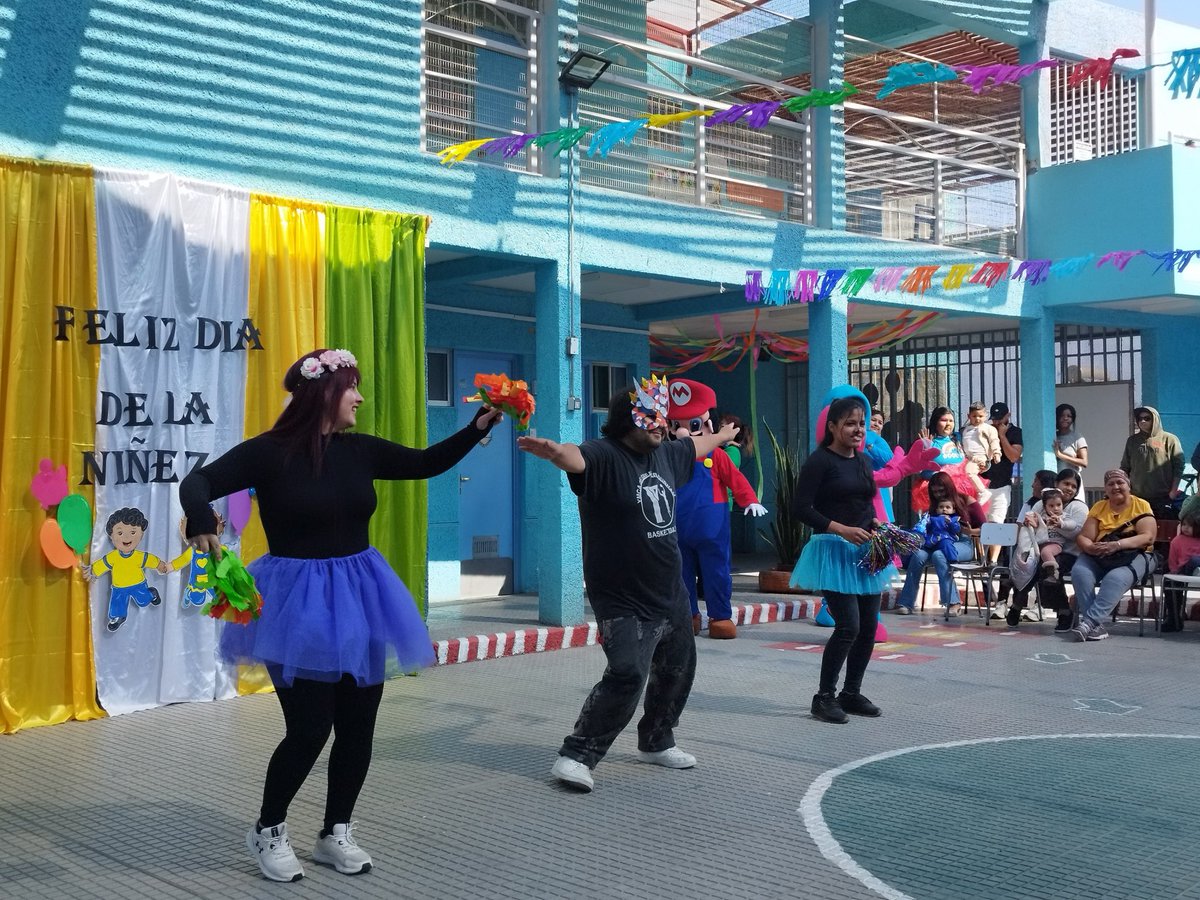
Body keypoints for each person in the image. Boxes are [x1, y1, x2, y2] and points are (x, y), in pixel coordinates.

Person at [178, 348, 502, 883]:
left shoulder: (360, 451)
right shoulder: (268, 453)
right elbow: (199, 483)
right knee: (309, 729)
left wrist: (476, 427)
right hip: (294, 605)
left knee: (358, 727)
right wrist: (198, 517)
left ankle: (335, 831)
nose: (360, 397)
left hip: (360, 596)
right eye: (352, 387)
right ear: (324, 394)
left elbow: (424, 463)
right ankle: (268, 828)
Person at [517, 376, 738, 792]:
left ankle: (656, 739)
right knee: (627, 674)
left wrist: (723, 435)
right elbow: (574, 458)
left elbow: (695, 446)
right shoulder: (604, 456)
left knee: (678, 669)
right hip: (621, 597)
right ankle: (577, 754)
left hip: (670, 591)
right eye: (650, 418)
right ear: (626, 420)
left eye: (663, 419)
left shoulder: (668, 454)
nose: (659, 425)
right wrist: (554, 452)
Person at [789, 393, 896, 724]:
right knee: (848, 625)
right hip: (833, 551)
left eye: (862, 423)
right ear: (832, 427)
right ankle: (824, 697)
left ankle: (851, 693)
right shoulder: (819, 461)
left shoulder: (864, 461)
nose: (858, 429)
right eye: (850, 423)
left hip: (866, 552)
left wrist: (876, 524)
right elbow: (800, 508)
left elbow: (865, 503)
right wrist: (840, 529)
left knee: (867, 627)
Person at [666, 379, 766, 639]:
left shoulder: (717, 455)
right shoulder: (667, 455)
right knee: (681, 575)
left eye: (693, 425)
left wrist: (750, 500)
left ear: (708, 425)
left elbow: (736, 479)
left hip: (712, 528)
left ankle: (720, 616)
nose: (683, 433)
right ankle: (688, 616)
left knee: (717, 573)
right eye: (676, 426)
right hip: (676, 529)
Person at [1067, 468, 1157, 642]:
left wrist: (1117, 545)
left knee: (1114, 578)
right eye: (1111, 484)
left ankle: (1089, 623)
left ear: (1128, 485)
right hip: (1101, 554)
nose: (1116, 487)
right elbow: (1084, 537)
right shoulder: (1099, 507)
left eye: (1120, 482)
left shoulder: (1141, 505)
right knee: (1080, 572)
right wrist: (1091, 548)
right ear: (1105, 489)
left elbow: (1148, 537)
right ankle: (1096, 627)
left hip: (1135, 554)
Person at [1007, 469, 1090, 630]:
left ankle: (1063, 612)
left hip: (1070, 552)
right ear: (1056, 484)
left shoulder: (1079, 508)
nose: (1069, 488)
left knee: (1048, 567)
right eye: (1066, 483)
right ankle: (1020, 603)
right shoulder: (1042, 502)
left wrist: (1057, 524)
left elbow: (1078, 532)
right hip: (1042, 547)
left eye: (1074, 486)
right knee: (1029, 563)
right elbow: (1033, 519)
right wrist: (1030, 521)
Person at [894, 472, 985, 615]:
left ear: (949, 487)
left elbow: (985, 528)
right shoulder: (935, 506)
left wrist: (968, 531)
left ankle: (953, 602)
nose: (938, 495)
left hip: (963, 542)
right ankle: (906, 602)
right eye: (934, 492)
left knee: (939, 555)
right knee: (918, 555)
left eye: (941, 490)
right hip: (935, 541)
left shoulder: (967, 501)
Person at [1120, 406, 1185, 518]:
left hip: (1163, 497)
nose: (1142, 421)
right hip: (1137, 497)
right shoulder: (1132, 441)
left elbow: (1178, 467)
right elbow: (1125, 467)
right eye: (1140, 419)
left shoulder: (1170, 439)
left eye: (1147, 418)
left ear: (1155, 419)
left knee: (1162, 531)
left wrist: (1173, 491)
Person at [984, 401, 1023, 563]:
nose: (997, 422)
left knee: (996, 523)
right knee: (981, 523)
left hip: (1001, 486)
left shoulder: (1015, 432)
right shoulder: (985, 431)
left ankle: (992, 561)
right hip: (982, 484)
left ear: (1009, 415)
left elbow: (1014, 456)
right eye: (994, 419)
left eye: (1000, 418)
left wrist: (1001, 436)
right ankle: (981, 558)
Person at [1162, 496, 1200, 631]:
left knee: (1196, 560)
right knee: (1169, 577)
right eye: (1184, 525)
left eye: (1190, 526)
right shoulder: (1178, 541)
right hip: (1182, 568)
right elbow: (1173, 559)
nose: (1185, 528)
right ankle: (1173, 618)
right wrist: (1173, 571)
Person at [1035, 488, 1067, 579]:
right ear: (1045, 507)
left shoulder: (1063, 517)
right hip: (1039, 543)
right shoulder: (1042, 517)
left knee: (1046, 552)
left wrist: (1061, 524)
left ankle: (1052, 574)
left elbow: (1073, 525)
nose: (1056, 508)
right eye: (1051, 506)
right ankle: (1016, 578)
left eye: (1058, 505)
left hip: (1055, 544)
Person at [960, 401, 1000, 472]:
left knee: (970, 472)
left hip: (981, 457)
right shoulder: (965, 429)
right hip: (967, 458)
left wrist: (996, 453)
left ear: (986, 415)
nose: (977, 419)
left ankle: (978, 483)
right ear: (968, 416)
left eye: (980, 416)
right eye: (974, 416)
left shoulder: (989, 428)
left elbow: (994, 441)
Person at [1052, 403, 1088, 474]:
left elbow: (1084, 462)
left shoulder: (1077, 437)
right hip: (1056, 481)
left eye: (1069, 416)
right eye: (1062, 415)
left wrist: (1060, 455)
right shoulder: (1053, 436)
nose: (1065, 418)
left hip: (1072, 481)